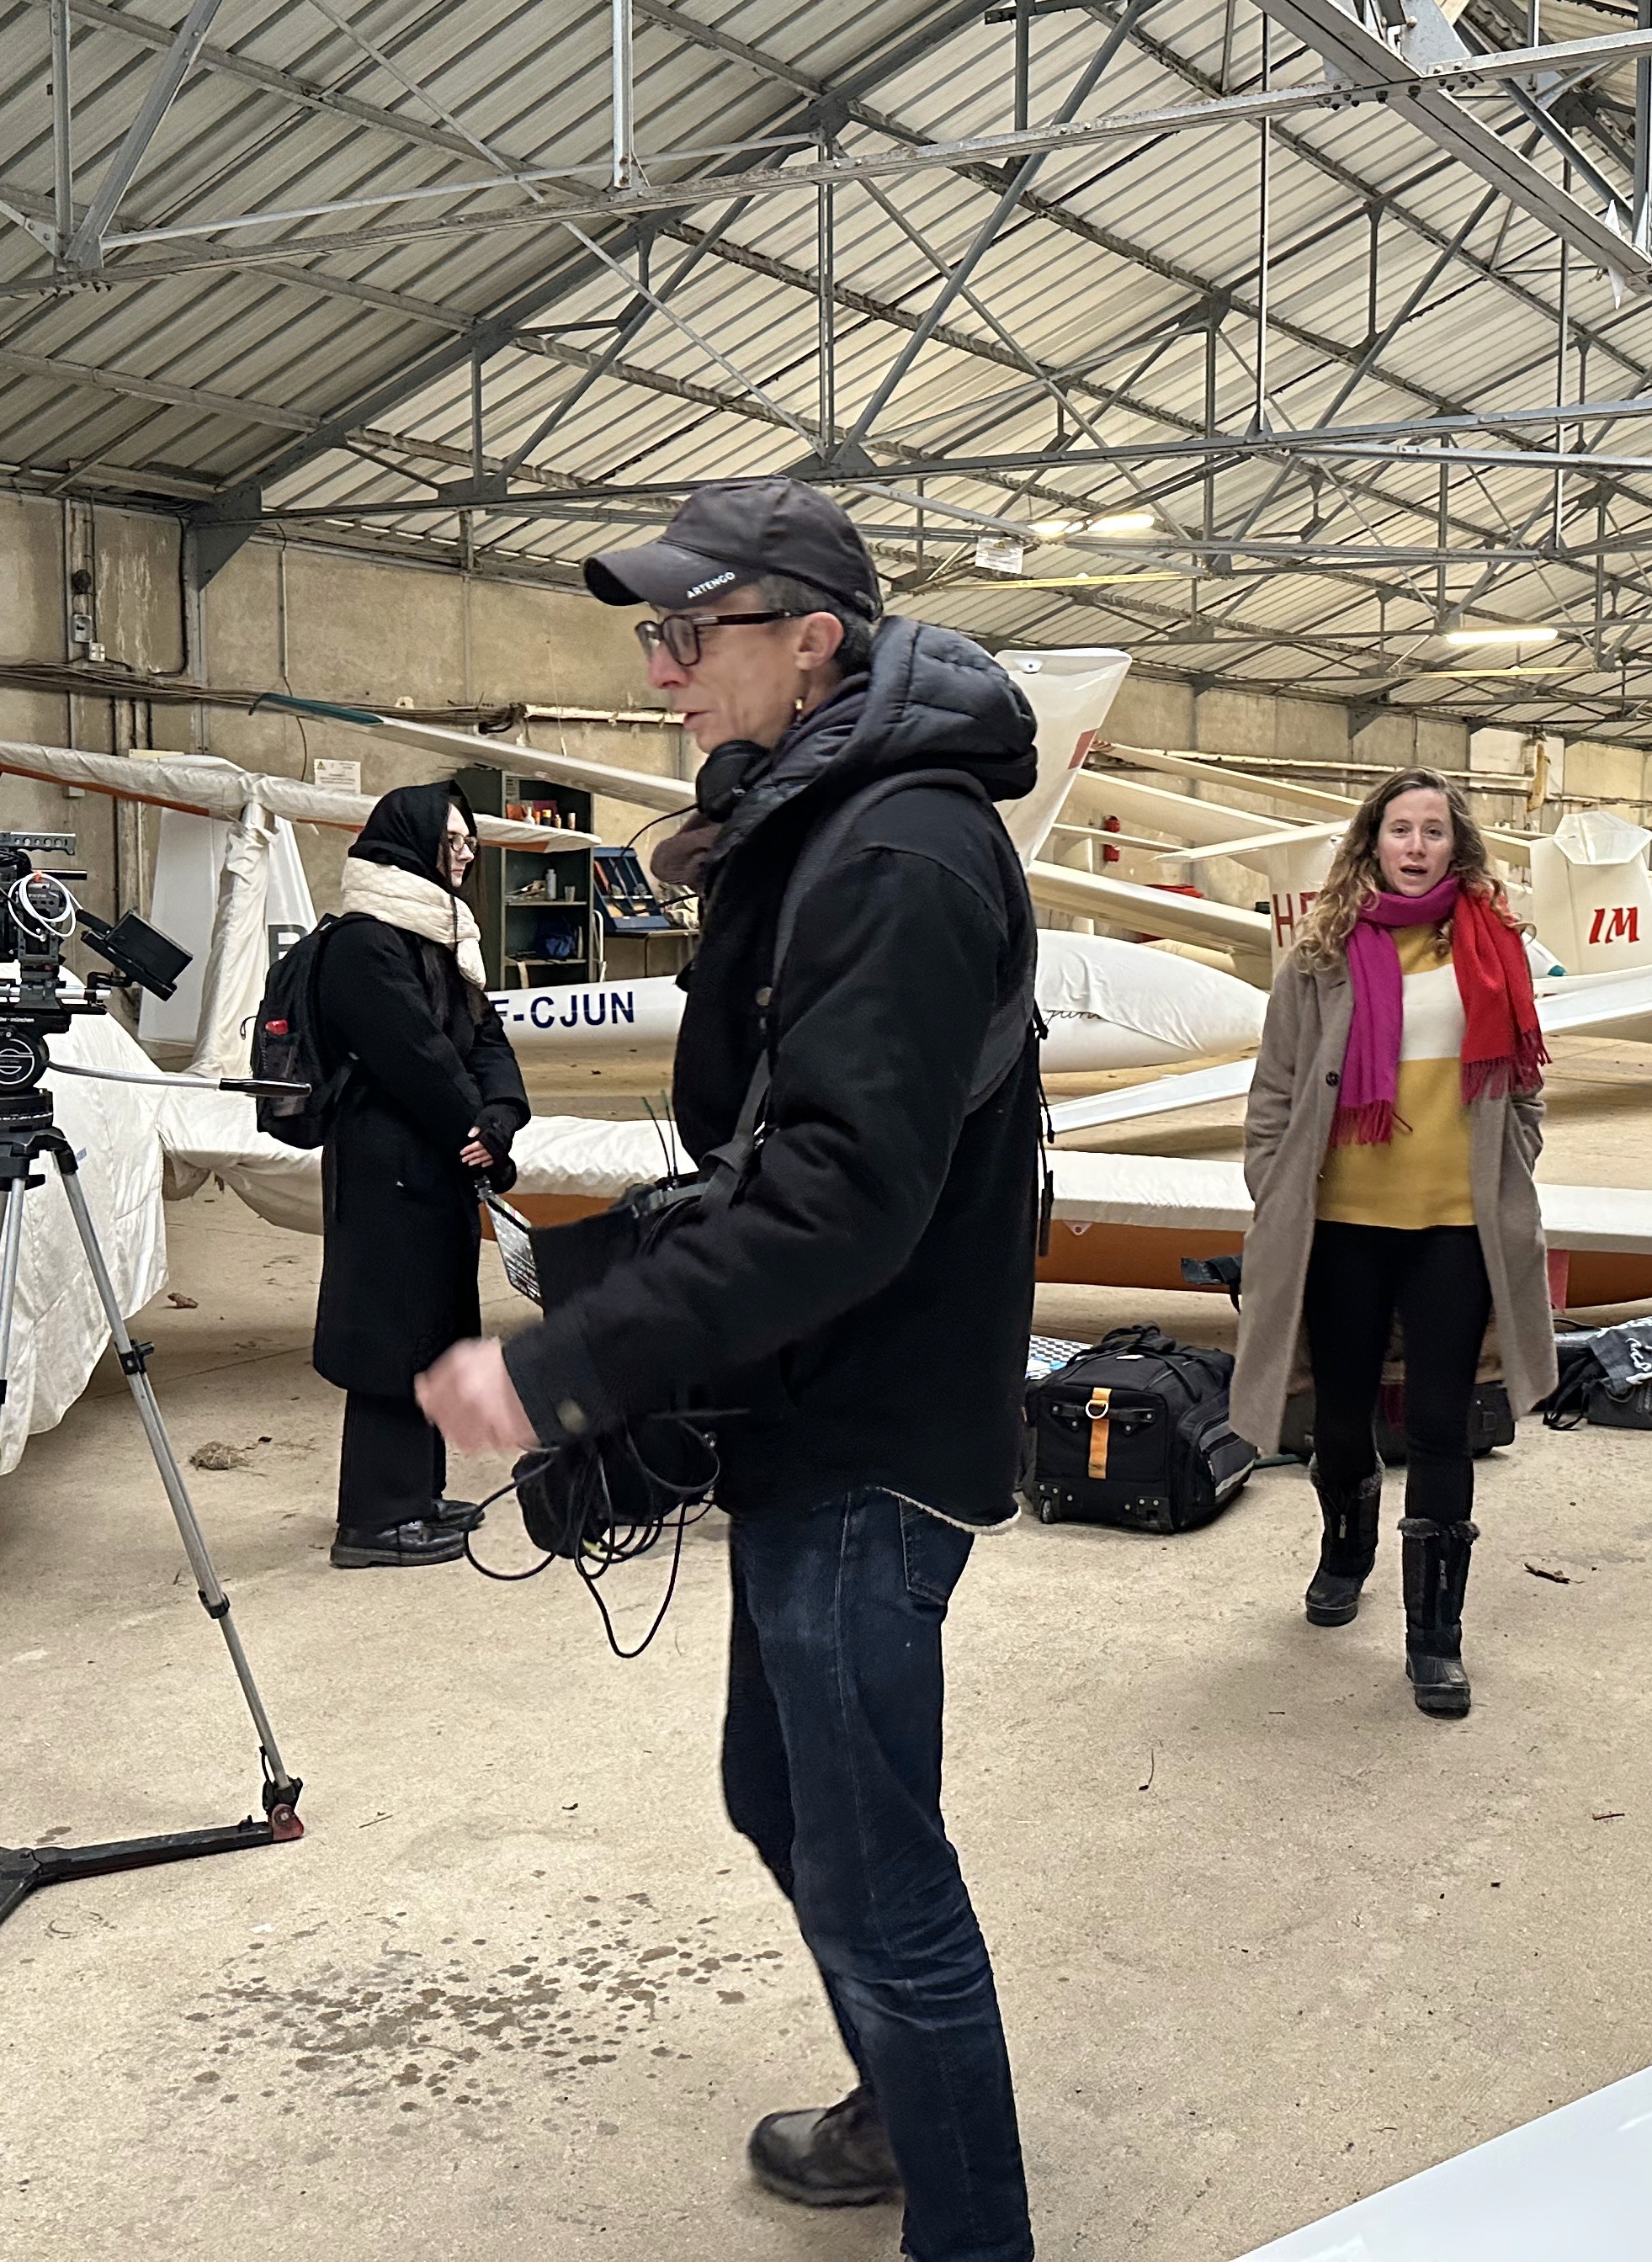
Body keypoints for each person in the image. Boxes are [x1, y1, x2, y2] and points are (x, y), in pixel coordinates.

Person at [415, 478, 1041, 2262]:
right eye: (656, 636)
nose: (664, 670)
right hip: (812, 1400)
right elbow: (780, 1139)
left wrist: (566, 1369)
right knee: (783, 1801)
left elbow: (843, 1198)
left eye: (693, 635)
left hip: (870, 1418)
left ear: (813, 639)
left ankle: (965, 2224)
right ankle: (900, 2105)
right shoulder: (831, 821)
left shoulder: (900, 852)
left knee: (872, 1860)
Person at [1225, 770, 1554, 1720]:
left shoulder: (1493, 950)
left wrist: (1512, 1157)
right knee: (1339, 1414)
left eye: (1435, 832)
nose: (1417, 846)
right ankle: (1344, 1550)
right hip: (1342, 1226)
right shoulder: (1317, 957)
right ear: (1373, 844)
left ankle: (1434, 1636)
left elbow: (1527, 1084)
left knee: (1445, 1423)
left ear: (1458, 848)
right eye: (1400, 830)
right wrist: (1274, 1187)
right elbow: (1274, 1093)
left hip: (1455, 1224)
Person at [309, 782, 529, 1568]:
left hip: (433, 1159)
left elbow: (484, 1037)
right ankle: (374, 1521)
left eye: (470, 841)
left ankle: (415, 1497)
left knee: (431, 1330)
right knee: (389, 1338)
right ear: (411, 841)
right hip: (385, 1163)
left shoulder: (438, 934)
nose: (468, 852)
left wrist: (498, 1120)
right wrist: (471, 1125)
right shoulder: (366, 941)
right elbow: (417, 1056)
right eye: (455, 840)